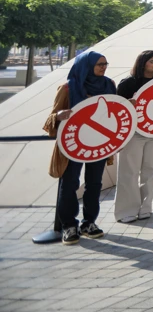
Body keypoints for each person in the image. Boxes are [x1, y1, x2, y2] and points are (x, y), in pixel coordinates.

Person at [54, 51, 116, 245]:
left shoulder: (109, 85)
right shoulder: (67, 88)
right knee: (70, 183)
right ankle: (68, 225)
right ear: (87, 65)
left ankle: (89, 222)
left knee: (95, 183)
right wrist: (59, 115)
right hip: (73, 145)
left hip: (99, 143)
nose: (103, 67)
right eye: (99, 64)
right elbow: (50, 119)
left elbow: (115, 113)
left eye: (105, 64)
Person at [114, 50, 153, 223]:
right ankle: (126, 211)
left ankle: (146, 207)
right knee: (129, 172)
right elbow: (115, 109)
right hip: (133, 133)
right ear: (143, 62)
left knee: (151, 171)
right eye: (152, 61)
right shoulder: (128, 83)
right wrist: (126, 104)